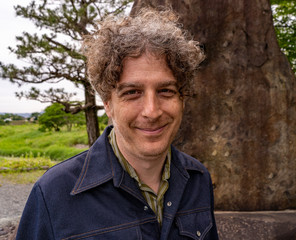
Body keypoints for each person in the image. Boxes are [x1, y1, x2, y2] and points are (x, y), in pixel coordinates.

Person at [15, 8, 219, 240]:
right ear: (108, 104)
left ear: (182, 98)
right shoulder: (53, 193)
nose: (151, 111)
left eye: (166, 91)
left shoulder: (198, 179)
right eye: (132, 92)